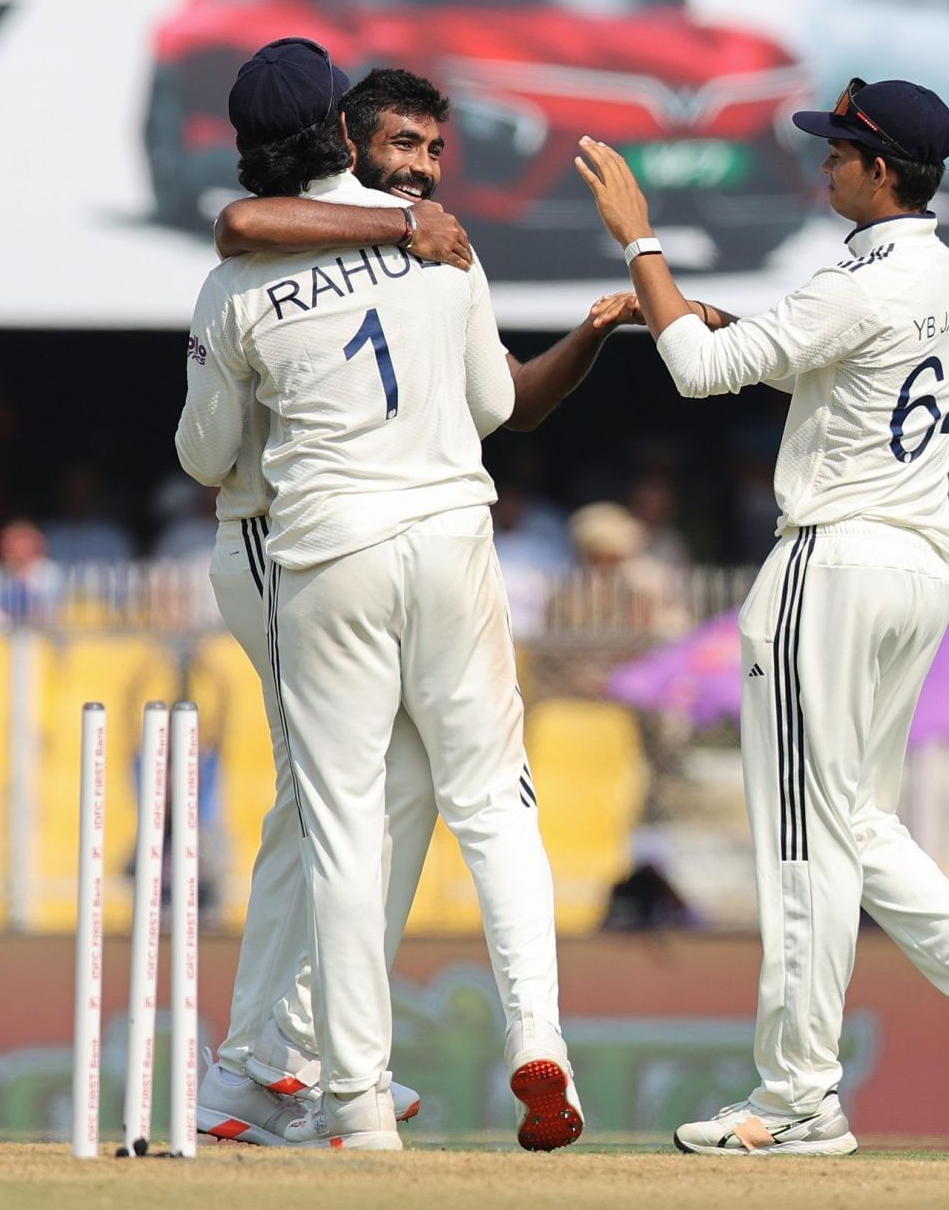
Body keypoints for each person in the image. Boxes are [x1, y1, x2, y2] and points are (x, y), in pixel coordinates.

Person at [575, 79, 949, 1155]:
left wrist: (639, 240)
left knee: (804, 837)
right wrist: (720, 319)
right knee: (852, 821)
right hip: (917, 565)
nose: (825, 164)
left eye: (841, 151)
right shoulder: (945, 275)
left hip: (832, 563)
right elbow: (829, 371)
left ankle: (797, 1094)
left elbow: (700, 374)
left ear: (882, 170)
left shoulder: (856, 282)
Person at [190, 62, 625, 1148]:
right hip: (450, 537)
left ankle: (350, 1097)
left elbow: (204, 454)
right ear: (345, 133)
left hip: (317, 548)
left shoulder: (237, 282)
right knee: (490, 801)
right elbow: (496, 404)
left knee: (341, 821)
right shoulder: (443, 243)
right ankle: (538, 1036)